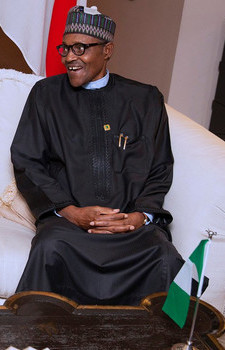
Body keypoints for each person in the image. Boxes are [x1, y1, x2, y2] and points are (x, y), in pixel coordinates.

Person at [11, 5, 184, 306]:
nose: (69, 57)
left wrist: (140, 216)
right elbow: (27, 161)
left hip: (129, 226)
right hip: (67, 227)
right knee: (49, 248)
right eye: (65, 48)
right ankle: (36, 339)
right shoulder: (46, 95)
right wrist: (70, 211)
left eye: (80, 48)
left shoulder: (145, 100)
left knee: (166, 256)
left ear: (107, 50)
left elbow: (160, 168)